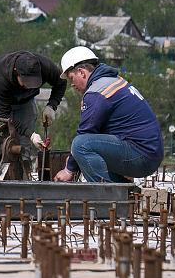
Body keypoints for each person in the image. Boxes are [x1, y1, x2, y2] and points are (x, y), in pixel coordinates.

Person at [53, 46, 164, 183]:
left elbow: (86, 132)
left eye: (71, 78)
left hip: (141, 155)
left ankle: (104, 196)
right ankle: (123, 191)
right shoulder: (112, 80)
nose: (72, 84)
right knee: (92, 146)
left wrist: (68, 170)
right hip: (148, 153)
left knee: (80, 144)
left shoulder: (97, 92)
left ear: (81, 72)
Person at [0, 51, 67, 180]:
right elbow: (5, 114)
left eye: (34, 84)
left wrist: (51, 106)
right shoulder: (0, 75)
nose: (29, 87)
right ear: (16, 72)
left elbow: (61, 83)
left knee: (23, 146)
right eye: (26, 82)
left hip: (24, 101)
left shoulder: (47, 67)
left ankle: (22, 187)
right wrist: (31, 134)